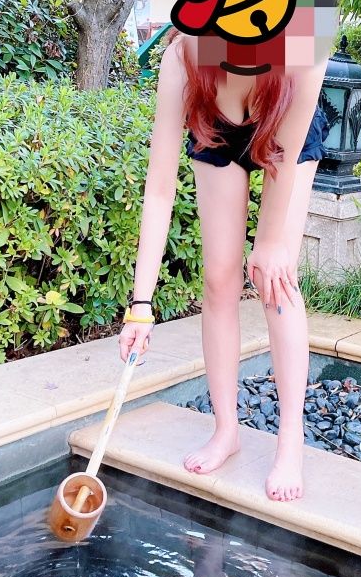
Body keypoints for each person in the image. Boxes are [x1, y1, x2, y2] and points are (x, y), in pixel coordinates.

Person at [119, 25, 332, 502]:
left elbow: (286, 157)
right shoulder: (183, 59)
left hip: (286, 131)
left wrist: (269, 243)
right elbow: (159, 189)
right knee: (219, 280)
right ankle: (226, 430)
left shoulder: (304, 44)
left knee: (275, 278)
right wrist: (141, 305)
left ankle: (290, 441)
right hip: (217, 131)